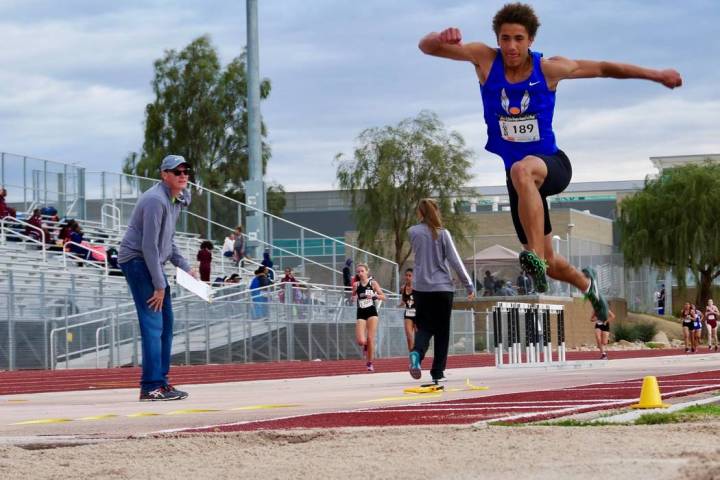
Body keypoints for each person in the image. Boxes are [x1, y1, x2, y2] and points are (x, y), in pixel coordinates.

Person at [418, 3, 681, 323]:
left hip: (551, 166)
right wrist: (441, 36)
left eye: (518, 38)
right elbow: (427, 47)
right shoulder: (485, 59)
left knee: (522, 169)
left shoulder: (549, 69)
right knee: (554, 262)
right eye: (505, 38)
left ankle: (536, 258)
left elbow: (604, 67)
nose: (511, 46)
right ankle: (590, 287)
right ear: (497, 39)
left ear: (530, 40)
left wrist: (656, 75)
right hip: (521, 185)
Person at [118, 154, 194, 401]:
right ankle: (151, 386)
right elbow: (149, 246)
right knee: (153, 326)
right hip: (138, 261)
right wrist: (159, 285)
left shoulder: (173, 200)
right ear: (164, 174)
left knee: (166, 326)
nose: (183, 175)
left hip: (152, 262)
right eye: (177, 171)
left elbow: (167, 241)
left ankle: (161, 382)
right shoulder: (155, 200)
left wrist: (185, 267)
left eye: (186, 171)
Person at [408, 198, 475, 384]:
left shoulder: (412, 232)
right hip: (442, 288)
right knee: (442, 331)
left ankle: (417, 352)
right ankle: (437, 372)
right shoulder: (443, 234)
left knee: (425, 326)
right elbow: (455, 260)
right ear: (435, 212)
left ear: (420, 213)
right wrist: (469, 285)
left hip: (420, 288)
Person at [352, 263, 386, 372]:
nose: (360, 273)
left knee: (371, 338)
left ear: (367, 271)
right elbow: (353, 296)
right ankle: (366, 345)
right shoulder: (356, 285)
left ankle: (369, 363)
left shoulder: (373, 283)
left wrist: (374, 296)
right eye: (358, 272)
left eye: (362, 271)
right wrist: (353, 297)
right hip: (361, 312)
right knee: (361, 341)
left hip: (371, 312)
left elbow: (384, 297)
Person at [398, 268, 416, 351]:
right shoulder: (403, 288)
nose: (407, 277)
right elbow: (403, 300)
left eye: (410, 276)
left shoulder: (417, 288)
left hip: (418, 314)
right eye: (406, 275)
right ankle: (412, 356)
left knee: (418, 336)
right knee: (409, 335)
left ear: (413, 277)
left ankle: (418, 353)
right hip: (408, 313)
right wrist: (398, 305)